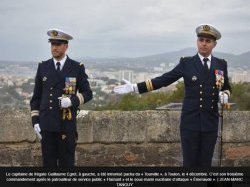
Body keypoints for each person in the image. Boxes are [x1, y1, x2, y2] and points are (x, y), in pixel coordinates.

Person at [114, 24, 231, 167]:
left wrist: (225, 94)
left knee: (206, 163)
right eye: (201, 40)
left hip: (210, 122)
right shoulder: (187, 63)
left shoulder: (221, 64)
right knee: (189, 163)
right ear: (197, 41)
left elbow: (226, 87)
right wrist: (135, 88)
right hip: (190, 122)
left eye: (208, 41)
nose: (204, 44)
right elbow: (164, 80)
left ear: (214, 44)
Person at [30, 29, 93, 167]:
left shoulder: (76, 67)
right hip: (46, 126)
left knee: (66, 165)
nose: (54, 47)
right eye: (52, 44)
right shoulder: (43, 67)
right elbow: (36, 98)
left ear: (66, 46)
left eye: (58, 44)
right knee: (48, 165)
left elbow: (88, 93)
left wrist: (72, 101)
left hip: (66, 125)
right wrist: (35, 121)